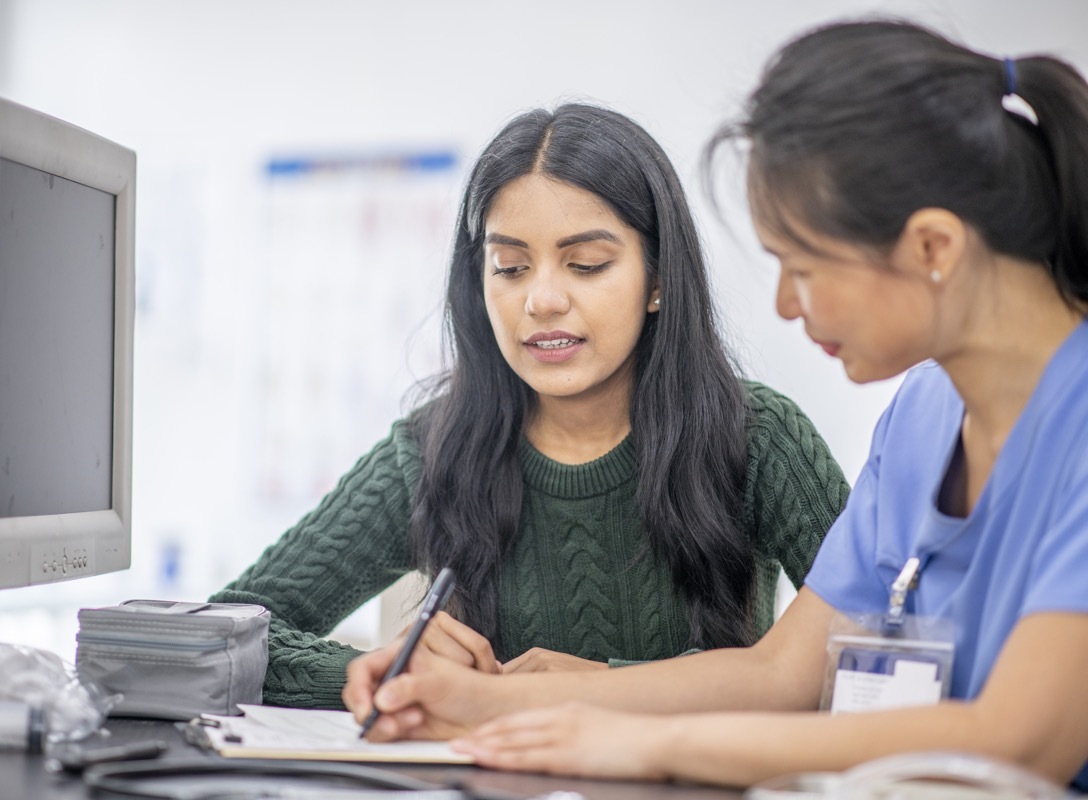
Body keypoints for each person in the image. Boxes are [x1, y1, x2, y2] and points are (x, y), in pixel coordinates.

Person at [343, 19, 1088, 790]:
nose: (786, 304)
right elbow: (781, 674)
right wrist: (483, 702)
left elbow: (1017, 743)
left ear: (933, 247)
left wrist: (649, 745)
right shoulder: (924, 416)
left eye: (803, 267)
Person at [210, 103, 848, 710]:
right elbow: (223, 632)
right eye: (511, 267)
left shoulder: (758, 436)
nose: (542, 300)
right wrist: (383, 674)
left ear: (658, 280)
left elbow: (871, 653)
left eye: (586, 264)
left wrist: (603, 689)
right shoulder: (434, 450)